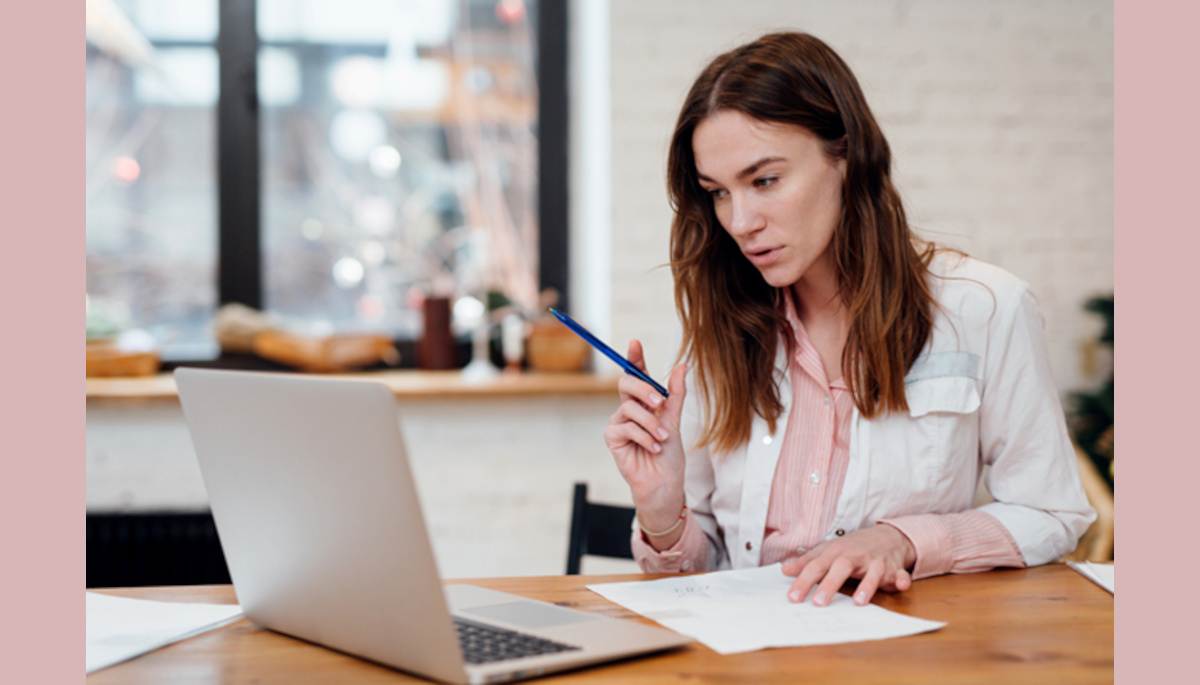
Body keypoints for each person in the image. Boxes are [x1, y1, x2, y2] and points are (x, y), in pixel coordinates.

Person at [603, 32, 1095, 607]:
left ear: (846, 157)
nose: (739, 222)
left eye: (764, 181)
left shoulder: (985, 309)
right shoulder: (716, 327)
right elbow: (704, 574)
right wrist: (663, 512)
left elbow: (1052, 513)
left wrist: (904, 540)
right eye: (717, 193)